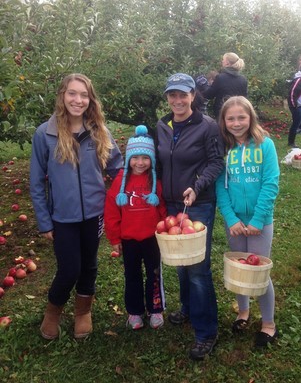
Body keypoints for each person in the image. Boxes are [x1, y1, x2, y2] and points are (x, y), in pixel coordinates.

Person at [30, 73, 123, 340]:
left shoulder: (98, 131)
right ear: (62, 96)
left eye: (84, 95)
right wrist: (44, 220)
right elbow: (37, 182)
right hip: (62, 216)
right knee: (69, 267)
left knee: (90, 264)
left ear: (90, 99)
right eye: (72, 93)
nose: (78, 100)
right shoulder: (45, 134)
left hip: (95, 214)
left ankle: (83, 312)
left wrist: (124, 197)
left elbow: (117, 168)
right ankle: (53, 312)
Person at [156, 72, 224, 360]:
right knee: (181, 263)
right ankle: (188, 308)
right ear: (168, 97)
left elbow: (216, 162)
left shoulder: (207, 126)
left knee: (197, 267)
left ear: (193, 96)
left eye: (183, 94)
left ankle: (206, 331)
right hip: (171, 205)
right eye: (173, 94)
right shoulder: (162, 125)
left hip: (197, 204)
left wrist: (196, 187)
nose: (178, 100)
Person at [215, 96, 280, 348]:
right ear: (224, 121)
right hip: (235, 223)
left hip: (259, 221)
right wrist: (230, 218)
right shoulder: (223, 149)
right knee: (239, 269)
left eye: (241, 117)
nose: (236, 123)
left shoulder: (265, 145)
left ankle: (269, 324)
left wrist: (258, 219)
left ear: (250, 117)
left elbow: (270, 183)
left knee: (259, 272)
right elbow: (220, 184)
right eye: (230, 118)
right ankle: (243, 312)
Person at [104, 125, 167, 330]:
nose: (140, 163)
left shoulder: (155, 182)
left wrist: (167, 230)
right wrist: (114, 239)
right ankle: (135, 311)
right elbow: (112, 212)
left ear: (152, 160)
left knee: (154, 275)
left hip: (151, 239)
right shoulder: (120, 183)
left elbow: (163, 209)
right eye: (135, 158)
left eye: (145, 158)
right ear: (128, 158)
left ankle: (155, 309)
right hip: (129, 240)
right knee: (132, 276)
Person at [202, 52, 248, 120]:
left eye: (223, 59)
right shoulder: (243, 79)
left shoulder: (221, 78)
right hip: (237, 114)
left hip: (222, 113)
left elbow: (209, 95)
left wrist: (203, 85)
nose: (222, 61)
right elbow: (244, 99)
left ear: (227, 63)